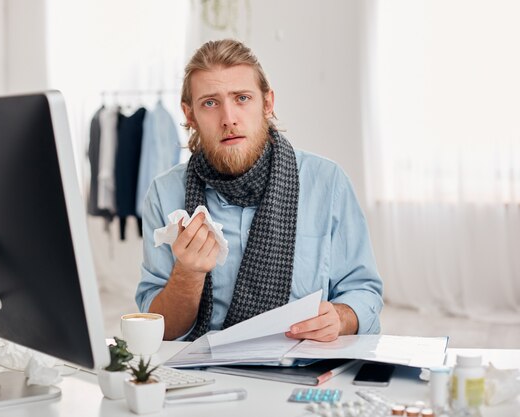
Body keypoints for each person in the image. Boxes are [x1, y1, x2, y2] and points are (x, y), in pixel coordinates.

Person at [135, 39, 383, 342]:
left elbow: (364, 291)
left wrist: (343, 317)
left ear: (267, 104)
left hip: (301, 365)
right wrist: (188, 272)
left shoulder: (327, 182)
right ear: (190, 115)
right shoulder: (164, 194)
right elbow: (158, 331)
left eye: (242, 98)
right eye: (210, 103)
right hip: (205, 373)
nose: (229, 118)